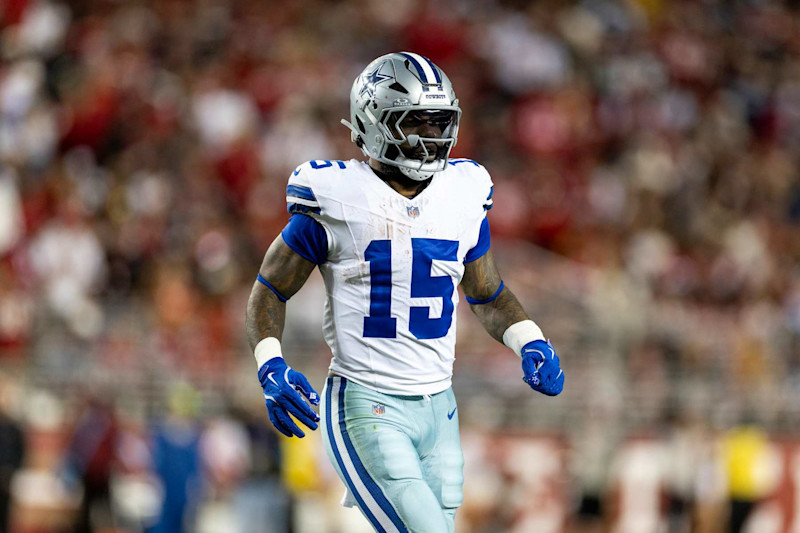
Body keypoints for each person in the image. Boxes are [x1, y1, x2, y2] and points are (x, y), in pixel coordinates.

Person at [245, 51, 565, 532]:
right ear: (375, 123)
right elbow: (269, 289)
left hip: (441, 406)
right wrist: (270, 363)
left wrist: (529, 338)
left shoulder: (463, 191)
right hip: (366, 402)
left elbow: (487, 291)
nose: (433, 138)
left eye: (440, 123)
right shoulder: (338, 197)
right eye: (417, 123)